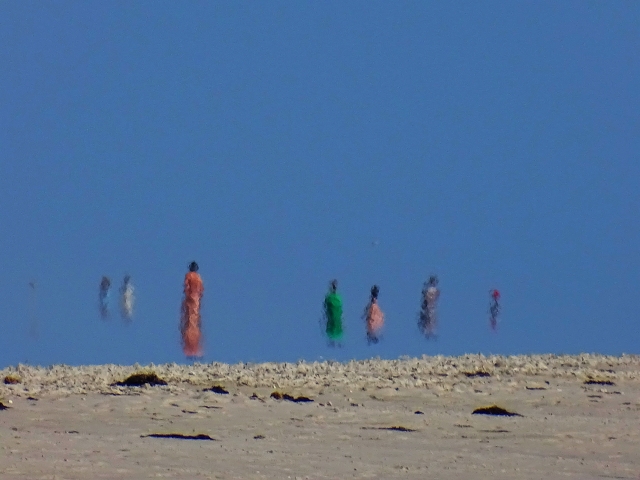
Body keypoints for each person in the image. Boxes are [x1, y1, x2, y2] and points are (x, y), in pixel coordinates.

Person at [181, 261, 204, 358]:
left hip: (190, 301)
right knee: (195, 323)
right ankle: (195, 349)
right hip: (196, 302)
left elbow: (186, 287)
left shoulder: (188, 276)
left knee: (188, 324)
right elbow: (202, 291)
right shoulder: (199, 278)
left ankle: (190, 350)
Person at [323, 279, 344, 346]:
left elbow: (325, 306)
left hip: (332, 316)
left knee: (331, 329)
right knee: (337, 329)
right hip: (337, 317)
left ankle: (333, 342)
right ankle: (338, 342)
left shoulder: (329, 297)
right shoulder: (338, 297)